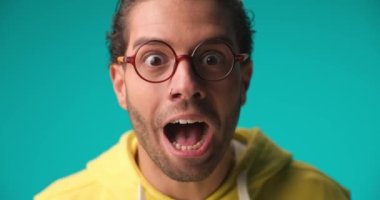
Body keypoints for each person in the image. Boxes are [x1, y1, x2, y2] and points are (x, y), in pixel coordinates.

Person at [35, 0, 350, 199]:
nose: (185, 86)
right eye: (155, 59)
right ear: (120, 85)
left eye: (211, 58)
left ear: (244, 80)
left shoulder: (320, 195)